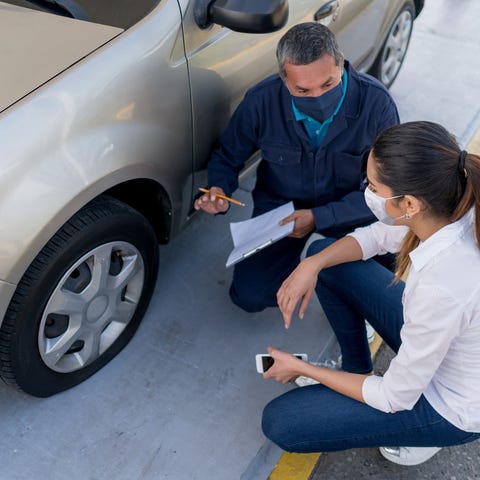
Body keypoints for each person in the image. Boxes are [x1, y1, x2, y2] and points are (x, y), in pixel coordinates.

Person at [261, 121, 480, 466]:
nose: (368, 192)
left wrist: (303, 369)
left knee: (282, 422)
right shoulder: (455, 199)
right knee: (328, 255)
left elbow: (395, 396)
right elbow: (377, 237)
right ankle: (357, 371)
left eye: (374, 186)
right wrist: (312, 264)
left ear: (409, 203)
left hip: (452, 403)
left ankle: (424, 431)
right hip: (449, 343)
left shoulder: (444, 284)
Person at [194, 22, 399, 313]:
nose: (318, 97)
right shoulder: (261, 100)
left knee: (389, 268)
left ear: (340, 64)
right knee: (249, 295)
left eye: (327, 84)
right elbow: (227, 155)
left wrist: (319, 217)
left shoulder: (377, 105)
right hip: (281, 210)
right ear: (283, 79)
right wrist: (219, 189)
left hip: (350, 207)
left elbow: (389, 191)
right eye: (302, 90)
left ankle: (347, 290)